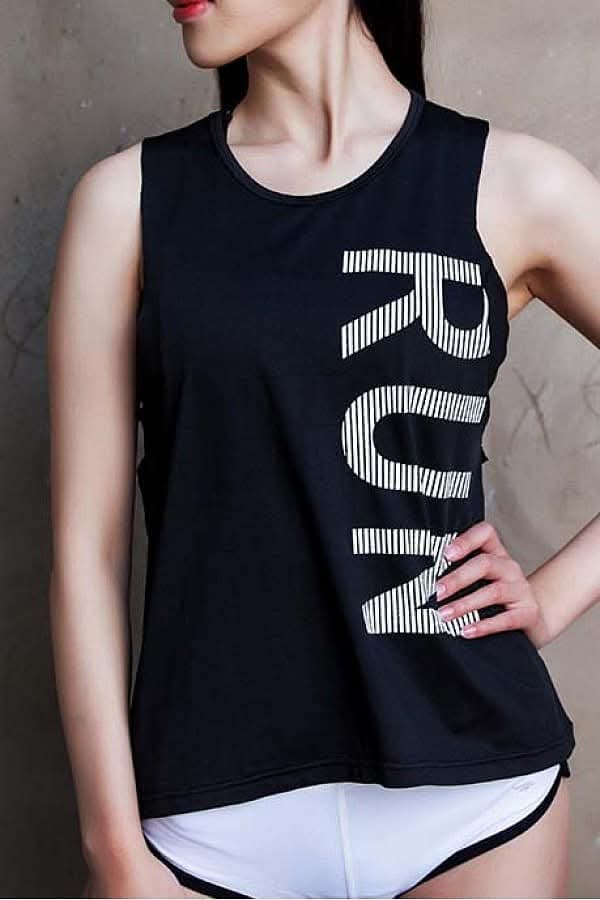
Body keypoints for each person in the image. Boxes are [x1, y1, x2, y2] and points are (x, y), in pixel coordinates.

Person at [47, 1, 600, 897]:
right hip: (205, 824)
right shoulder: (128, 202)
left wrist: (555, 594)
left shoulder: (512, 185)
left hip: (476, 806)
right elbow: (87, 551)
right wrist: (113, 852)